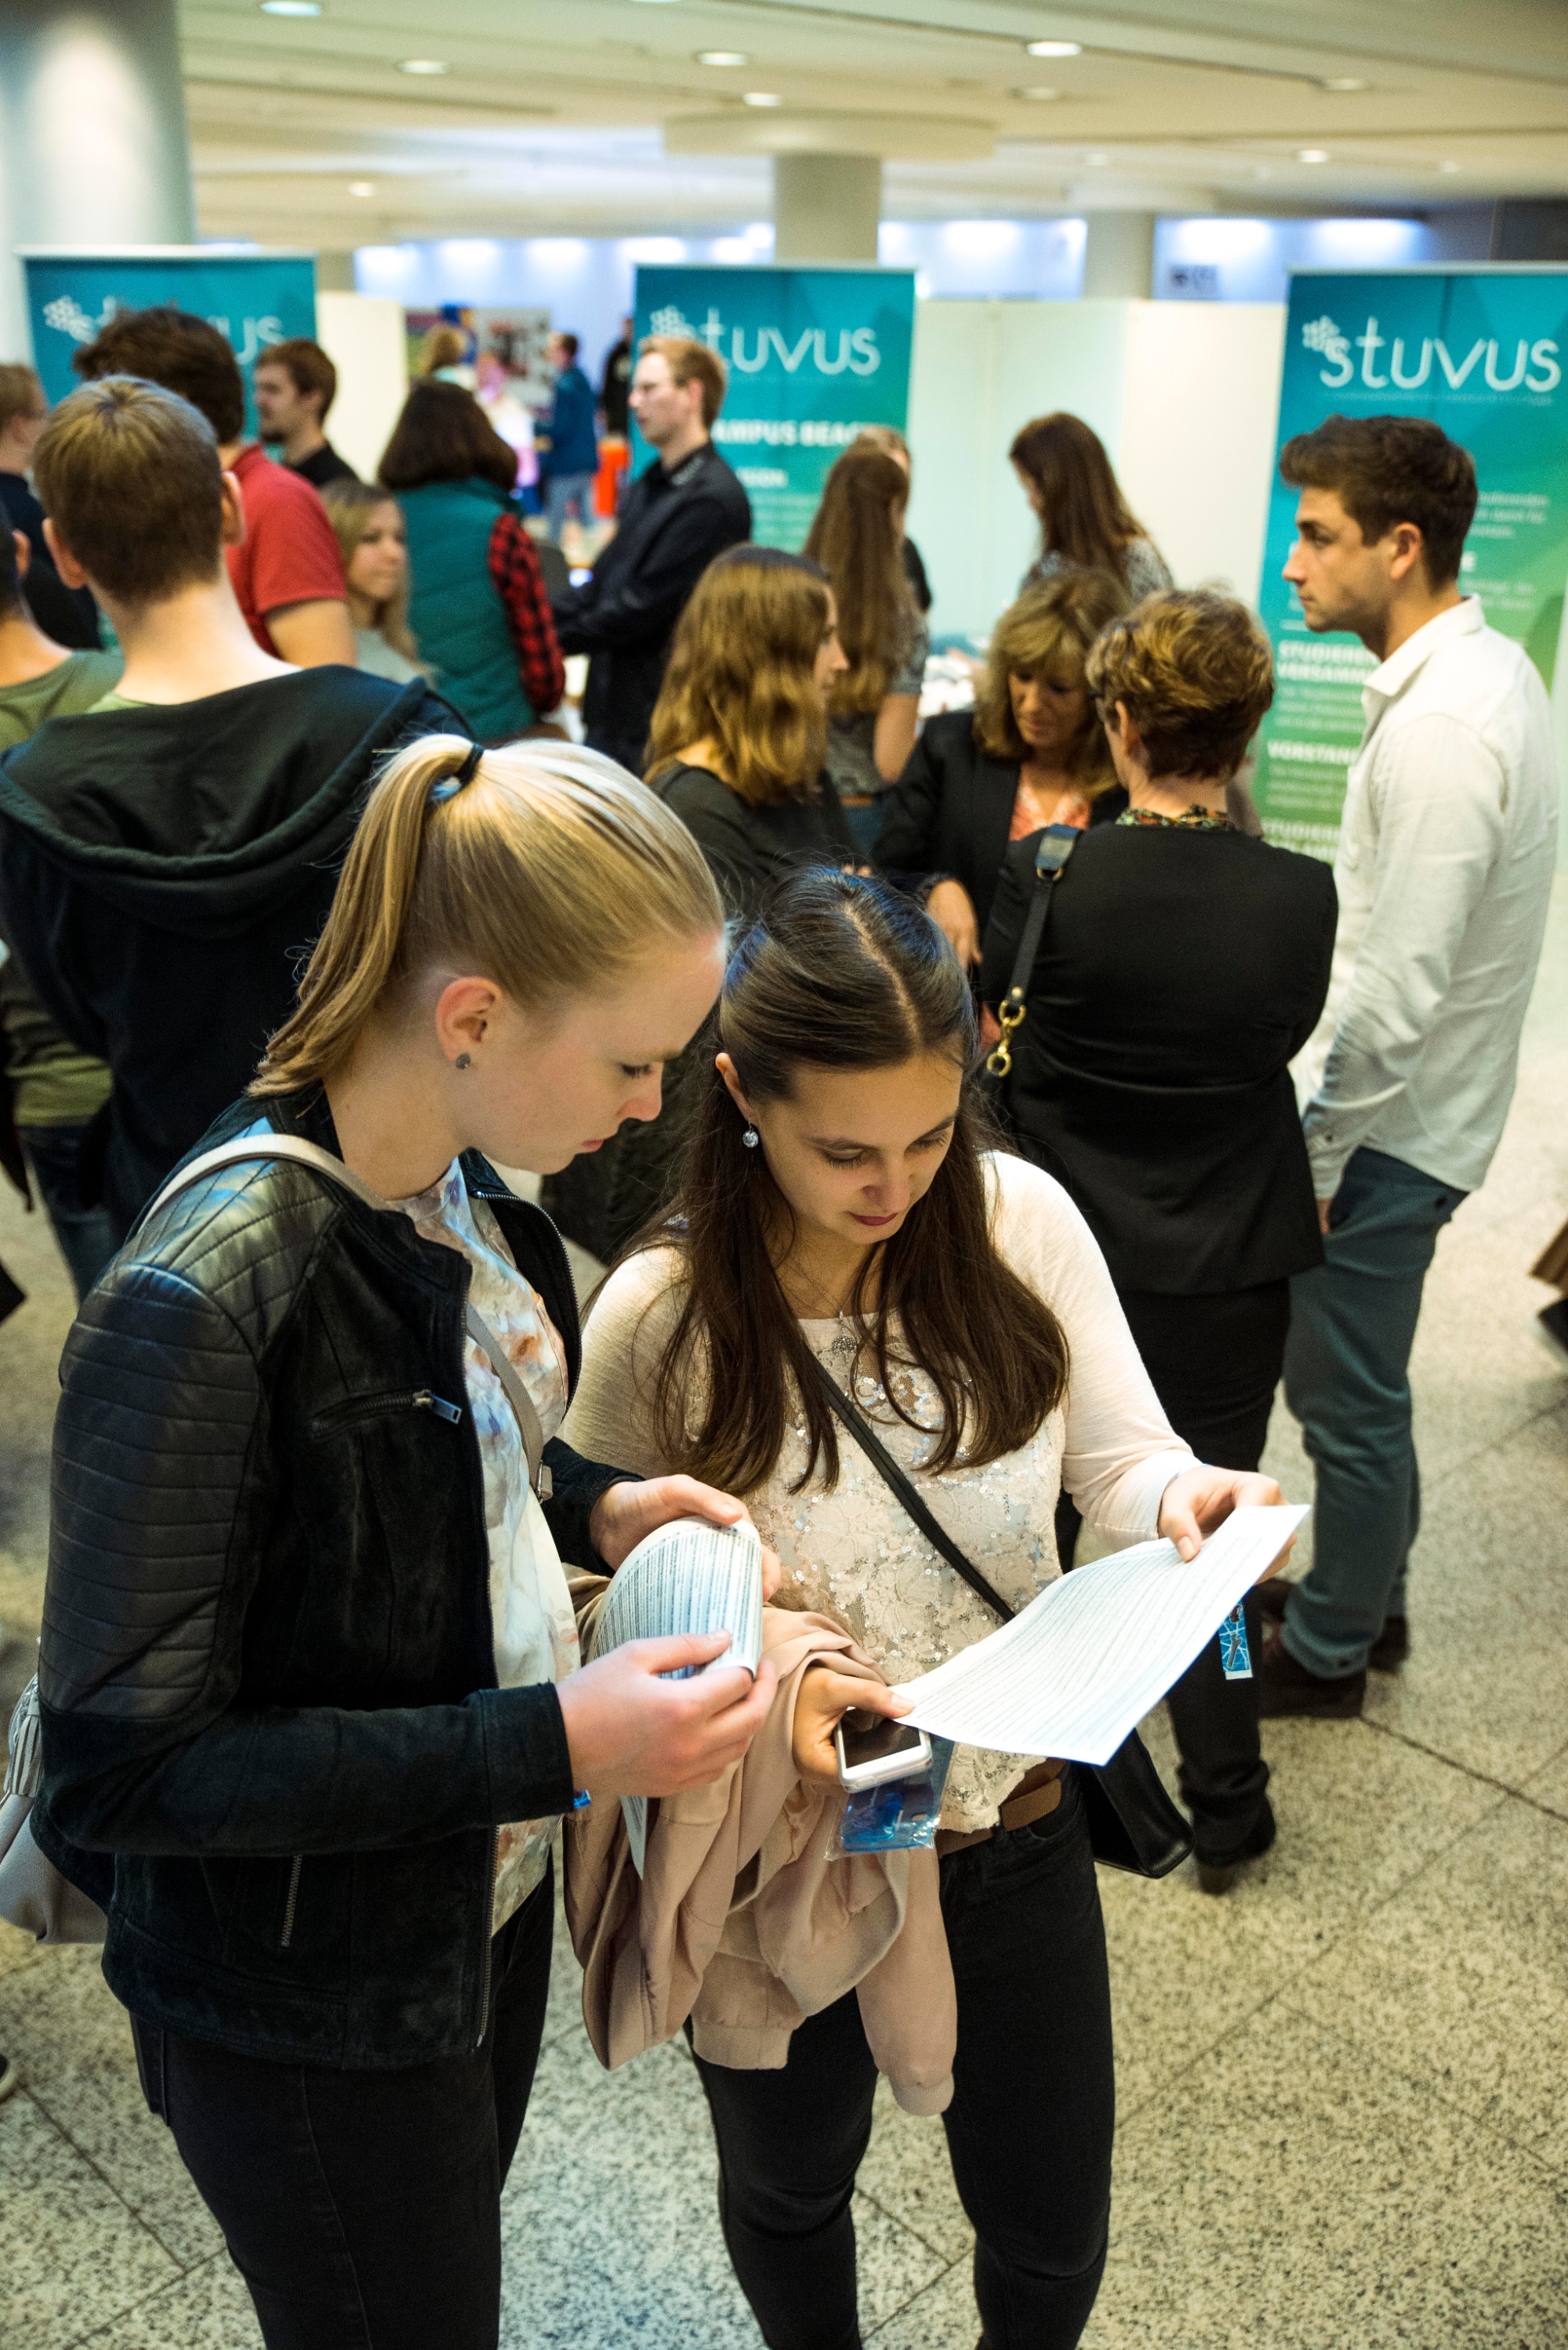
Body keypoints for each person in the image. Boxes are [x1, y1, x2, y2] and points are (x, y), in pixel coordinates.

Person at [32, 730, 782, 2350]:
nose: (654, 1108)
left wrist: (589, 1495)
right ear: (470, 1015)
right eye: (631, 1063)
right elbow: (117, 1773)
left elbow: (433, 1453)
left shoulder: (459, 1192)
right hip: (304, 2013)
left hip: (458, 1925)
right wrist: (553, 1739)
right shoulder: (209, 1291)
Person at [563, 870, 1285, 2350]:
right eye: (843, 1149)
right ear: (738, 1094)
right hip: (780, 1841)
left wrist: (1183, 1503)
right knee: (786, 2185)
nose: (893, 1183)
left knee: (1049, 2219)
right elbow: (590, 1586)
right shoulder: (665, 1310)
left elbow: (1121, 1451)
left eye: (932, 1130)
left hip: (1007, 1820)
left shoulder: (1017, 1216)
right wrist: (763, 1676)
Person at [978, 590, 1336, 1885]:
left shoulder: (1049, 872)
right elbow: (1275, 1049)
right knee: (1217, 1534)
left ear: (1120, 724)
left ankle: (1064, 1768)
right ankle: (1229, 1799)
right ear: (1245, 735)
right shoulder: (1302, 898)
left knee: (1055, 1517)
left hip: (1068, 1262)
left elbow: (1015, 1041)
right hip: (1233, 1262)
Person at [1257, 413, 1558, 1718]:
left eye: (1317, 536)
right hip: (1415, 1124)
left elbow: (1396, 995)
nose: (1292, 564)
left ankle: (1329, 1653)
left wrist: (1313, 1160)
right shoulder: (1482, 680)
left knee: (1345, 1399)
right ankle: (1365, 1603)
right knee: (1361, 1388)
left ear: (1402, 544)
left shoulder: (1446, 729)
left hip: (1388, 1137)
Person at [0, 375, 452, 1237]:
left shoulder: (30, 798)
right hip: (389, 1191)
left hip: (176, 1199)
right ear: (232, 508)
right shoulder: (407, 735)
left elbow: (78, 1017)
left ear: (63, 551)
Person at [544, 547, 856, 1266]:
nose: (839, 661)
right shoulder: (694, 806)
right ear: (773, 656)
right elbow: (745, 999)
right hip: (687, 1144)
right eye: (825, 639)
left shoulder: (798, 780)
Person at [74, 306, 354, 668]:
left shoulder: (277, 502)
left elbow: (330, 685)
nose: (104, 428)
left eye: (117, 408)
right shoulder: (181, 502)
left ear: (173, 404)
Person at [876, 571, 1127, 972]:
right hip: (964, 1010)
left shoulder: (1127, 778)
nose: (1030, 704)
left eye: (1058, 688)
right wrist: (934, 887)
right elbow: (885, 872)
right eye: (1022, 676)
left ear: (1100, 692)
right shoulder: (951, 747)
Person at [0, 524, 122, 1295]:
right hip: (179, 1067)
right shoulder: (127, 688)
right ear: (20, 553)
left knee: (120, 1346)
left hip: (52, 1080)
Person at [552, 336, 750, 773]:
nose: (634, 401)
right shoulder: (652, 483)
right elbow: (602, 580)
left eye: (649, 388)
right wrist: (545, 621)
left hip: (660, 722)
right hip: (614, 710)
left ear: (692, 395)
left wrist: (549, 638)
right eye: (634, 389)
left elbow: (641, 608)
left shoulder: (712, 499)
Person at [379, 379, 564, 741]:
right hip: (498, 738)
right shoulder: (500, 529)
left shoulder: (379, 525)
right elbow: (545, 678)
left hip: (406, 738)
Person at [803, 448, 929, 846]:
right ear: (893, 513)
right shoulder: (903, 623)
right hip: (859, 815)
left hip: (789, 804)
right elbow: (891, 762)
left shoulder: (795, 599)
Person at [1011, 412, 1173, 602]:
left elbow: (1165, 630)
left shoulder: (1139, 563)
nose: (1031, 504)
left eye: (1033, 489)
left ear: (1065, 487)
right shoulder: (1045, 572)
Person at [0, 362, 100, 650]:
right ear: (19, 427)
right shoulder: (34, 519)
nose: (47, 427)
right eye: (43, 415)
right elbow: (77, 624)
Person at [321, 478, 427, 685]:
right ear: (334, 545)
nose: (394, 553)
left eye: (399, 538)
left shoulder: (397, 643)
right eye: (371, 538)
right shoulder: (329, 656)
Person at [252, 336, 359, 489]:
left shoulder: (341, 487)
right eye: (259, 388)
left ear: (312, 398)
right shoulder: (274, 478)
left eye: (272, 389)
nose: (259, 400)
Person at [848, 423, 931, 613]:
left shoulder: (907, 550)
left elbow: (922, 624)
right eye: (883, 476)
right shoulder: (832, 554)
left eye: (902, 478)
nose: (895, 489)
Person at [541, 332, 599, 543]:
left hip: (566, 464)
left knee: (554, 526)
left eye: (552, 349)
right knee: (589, 525)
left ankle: (550, 572)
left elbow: (561, 429)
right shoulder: (582, 379)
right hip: (586, 459)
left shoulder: (565, 386)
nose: (548, 353)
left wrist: (533, 426)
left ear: (564, 353)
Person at [600, 315, 633, 440]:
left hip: (633, 414)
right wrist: (605, 409)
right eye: (626, 328)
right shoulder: (615, 354)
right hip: (617, 411)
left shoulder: (641, 353)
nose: (628, 331)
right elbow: (607, 383)